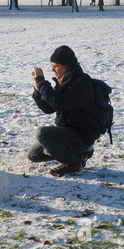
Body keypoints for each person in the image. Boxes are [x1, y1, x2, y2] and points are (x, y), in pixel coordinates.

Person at [28, 45, 100, 177]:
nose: (52, 69)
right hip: (67, 132)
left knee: (41, 133)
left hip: (82, 135)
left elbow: (60, 104)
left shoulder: (81, 83)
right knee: (33, 155)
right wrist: (38, 91)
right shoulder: (64, 81)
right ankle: (80, 154)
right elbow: (49, 108)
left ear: (67, 66)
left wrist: (42, 83)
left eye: (55, 66)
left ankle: (73, 165)